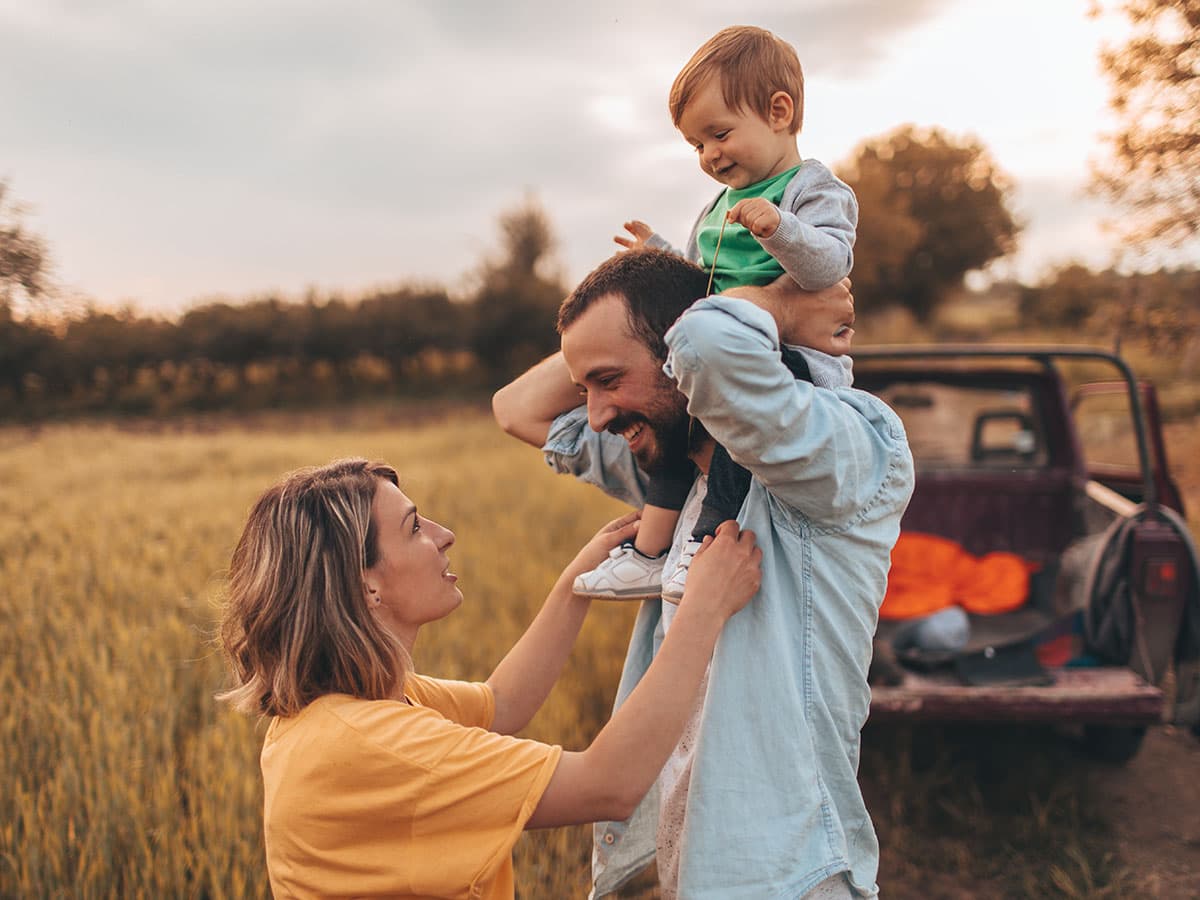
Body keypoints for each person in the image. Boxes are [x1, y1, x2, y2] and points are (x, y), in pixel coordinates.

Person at [492, 249, 913, 898]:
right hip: (690, 866)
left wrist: (772, 304)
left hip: (787, 872)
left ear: (680, 362)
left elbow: (706, 342)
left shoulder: (840, 448)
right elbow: (516, 407)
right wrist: (669, 302)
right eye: (585, 391)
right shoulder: (675, 467)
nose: (598, 415)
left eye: (609, 380)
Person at [216, 456, 763, 899]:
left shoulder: (351, 713)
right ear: (366, 588)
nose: (444, 534)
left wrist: (581, 577)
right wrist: (705, 608)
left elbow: (501, 705)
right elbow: (609, 785)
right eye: (414, 529)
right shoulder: (369, 745)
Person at [573, 25, 858, 603]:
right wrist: (662, 254)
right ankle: (653, 552)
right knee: (675, 422)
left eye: (719, 134)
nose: (709, 155)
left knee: (729, 432)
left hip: (791, 363)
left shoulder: (811, 189)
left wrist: (780, 228)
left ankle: (706, 541)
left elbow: (830, 264)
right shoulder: (718, 205)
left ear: (780, 111)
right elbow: (700, 287)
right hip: (718, 352)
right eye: (697, 145)